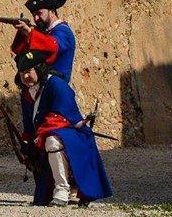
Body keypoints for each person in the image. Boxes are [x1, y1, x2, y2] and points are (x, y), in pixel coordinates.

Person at [16, 50, 112, 206]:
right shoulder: (26, 94)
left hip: (73, 133)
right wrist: (27, 143)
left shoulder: (57, 85)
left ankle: (62, 189)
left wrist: (38, 137)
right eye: (22, 73)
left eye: (28, 71)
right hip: (46, 133)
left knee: (52, 141)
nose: (25, 77)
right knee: (45, 142)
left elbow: (60, 119)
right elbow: (29, 124)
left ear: (39, 69)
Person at [11, 0, 76, 82]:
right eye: (34, 15)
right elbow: (18, 50)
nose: (36, 18)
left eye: (39, 13)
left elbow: (52, 46)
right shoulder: (43, 33)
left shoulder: (63, 31)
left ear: (52, 12)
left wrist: (29, 32)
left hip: (56, 83)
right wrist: (22, 32)